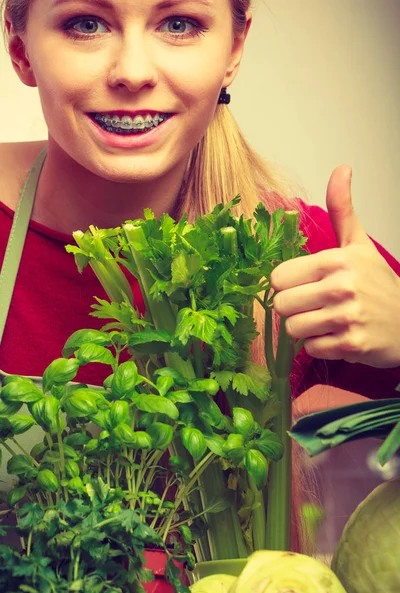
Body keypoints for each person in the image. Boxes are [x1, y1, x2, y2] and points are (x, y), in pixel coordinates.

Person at [0, 0, 399, 553]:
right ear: (20, 48)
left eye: (178, 24)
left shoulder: (291, 249)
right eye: (85, 24)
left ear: (233, 49)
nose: (133, 72)